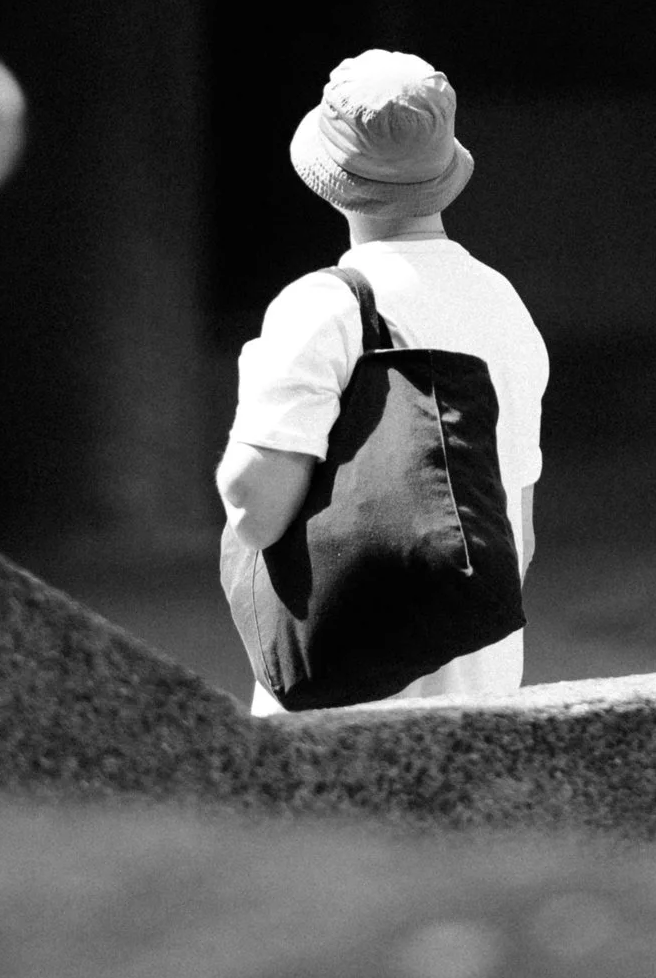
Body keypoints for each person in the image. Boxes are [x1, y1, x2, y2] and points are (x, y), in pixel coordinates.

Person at [217, 48, 547, 714]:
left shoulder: (324, 308)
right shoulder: (503, 302)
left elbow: (257, 507)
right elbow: (522, 534)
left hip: (343, 698)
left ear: (334, 177)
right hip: (484, 691)